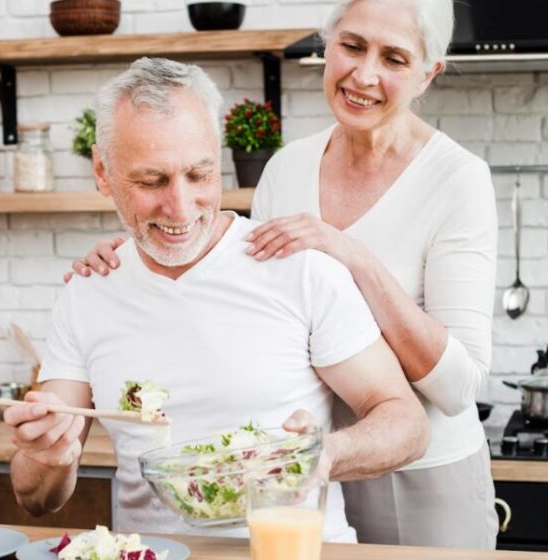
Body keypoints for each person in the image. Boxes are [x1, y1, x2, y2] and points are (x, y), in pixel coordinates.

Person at [64, 0, 499, 549]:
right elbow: (242, 281)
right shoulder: (288, 166)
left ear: (426, 74)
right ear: (327, 45)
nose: (364, 74)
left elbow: (460, 386)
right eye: (353, 46)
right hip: (303, 467)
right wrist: (131, 250)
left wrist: (354, 256)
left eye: (393, 58)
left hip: (421, 467)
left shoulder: (457, 178)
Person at [4, 57, 429, 543]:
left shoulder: (297, 268)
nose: (181, 208)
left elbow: (406, 423)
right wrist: (46, 457)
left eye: (199, 174)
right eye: (151, 181)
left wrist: (325, 454)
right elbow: (37, 498)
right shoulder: (88, 294)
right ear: (103, 171)